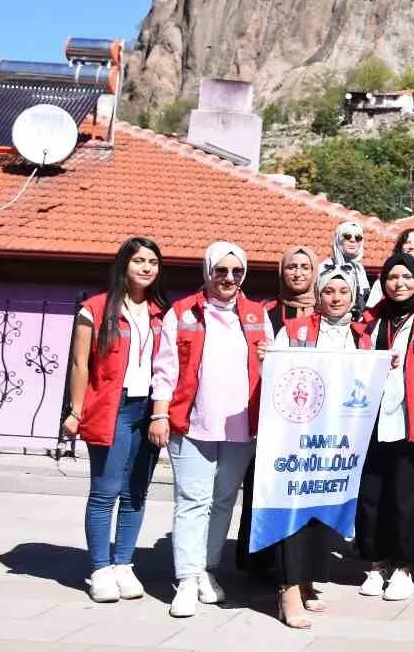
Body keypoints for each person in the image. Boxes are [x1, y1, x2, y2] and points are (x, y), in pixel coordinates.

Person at [150, 241, 271, 618]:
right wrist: (159, 414)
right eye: (221, 270)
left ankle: (206, 569)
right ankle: (186, 578)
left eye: (237, 272)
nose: (229, 278)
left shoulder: (257, 315)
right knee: (192, 500)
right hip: (192, 422)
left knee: (222, 501)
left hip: (241, 426)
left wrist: (271, 359)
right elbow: (165, 368)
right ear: (208, 271)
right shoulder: (183, 312)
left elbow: (274, 369)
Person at [63, 237, 169, 603]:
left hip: (149, 410)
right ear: (123, 264)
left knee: (136, 491)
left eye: (152, 262)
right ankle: (99, 568)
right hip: (113, 407)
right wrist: (75, 411)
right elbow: (79, 364)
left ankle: (124, 564)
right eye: (139, 260)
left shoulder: (160, 312)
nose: (146, 267)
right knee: (106, 490)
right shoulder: (94, 309)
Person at [265, 269, 370, 628]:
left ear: (353, 297)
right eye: (329, 291)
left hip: (337, 439)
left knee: (321, 511)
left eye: (343, 291)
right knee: (293, 510)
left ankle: (308, 579)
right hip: (297, 436)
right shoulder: (294, 331)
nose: (336, 297)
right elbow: (275, 373)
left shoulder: (363, 338)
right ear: (318, 296)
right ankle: (288, 589)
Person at [355, 253, 414, 602]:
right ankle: (377, 563)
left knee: (406, 499)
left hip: (412, 419)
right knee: (372, 496)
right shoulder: (370, 319)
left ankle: (403, 568)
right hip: (371, 420)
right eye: (392, 277)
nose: (399, 284)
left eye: (406, 277)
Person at [236, 246, 319, 578]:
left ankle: (301, 567)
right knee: (262, 486)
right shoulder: (264, 313)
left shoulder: (327, 314)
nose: (298, 273)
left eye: (304, 267)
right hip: (270, 419)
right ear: (281, 272)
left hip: (311, 421)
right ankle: (257, 560)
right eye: (291, 267)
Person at [319, 221, 369, 314]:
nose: (353, 240)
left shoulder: (360, 270)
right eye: (347, 236)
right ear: (338, 239)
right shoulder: (325, 267)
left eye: (358, 238)